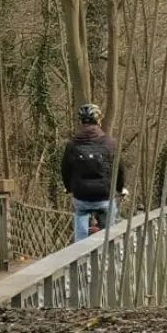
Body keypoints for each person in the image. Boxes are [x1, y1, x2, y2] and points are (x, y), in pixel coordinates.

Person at [60, 103, 126, 241]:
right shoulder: (109, 143)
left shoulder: (72, 144)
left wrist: (68, 187)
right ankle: (108, 246)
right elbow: (119, 168)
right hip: (104, 195)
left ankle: (80, 249)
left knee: (80, 214)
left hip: (81, 195)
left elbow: (65, 168)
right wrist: (121, 188)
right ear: (99, 121)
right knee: (110, 226)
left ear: (80, 122)